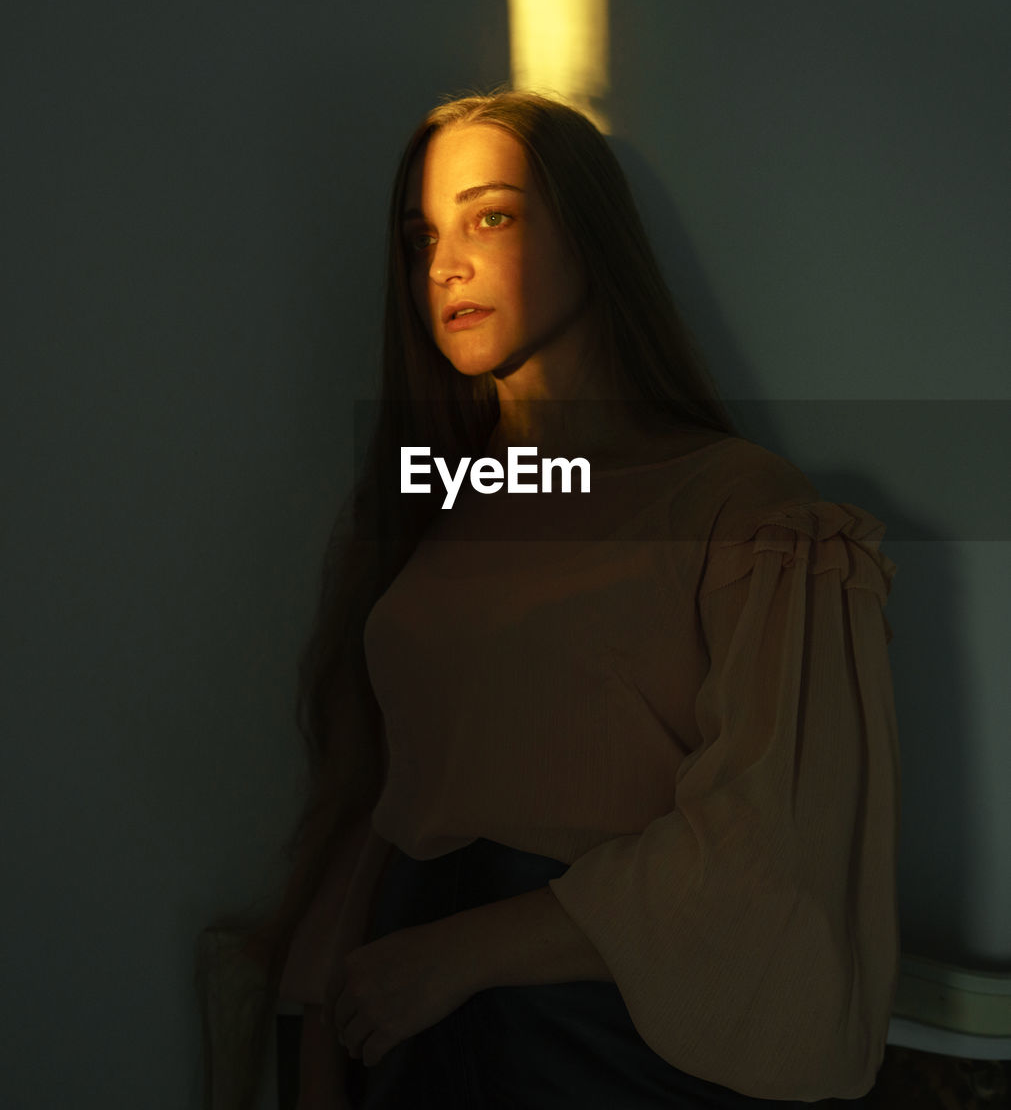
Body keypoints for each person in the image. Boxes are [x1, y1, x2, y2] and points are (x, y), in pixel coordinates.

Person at [241, 88, 901, 1108]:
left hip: (601, 1029)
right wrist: (329, 1020)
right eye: (424, 234)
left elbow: (775, 846)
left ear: (589, 236)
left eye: (491, 215)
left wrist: (470, 951)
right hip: (407, 1026)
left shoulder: (745, 505)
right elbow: (379, 800)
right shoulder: (428, 512)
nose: (444, 263)